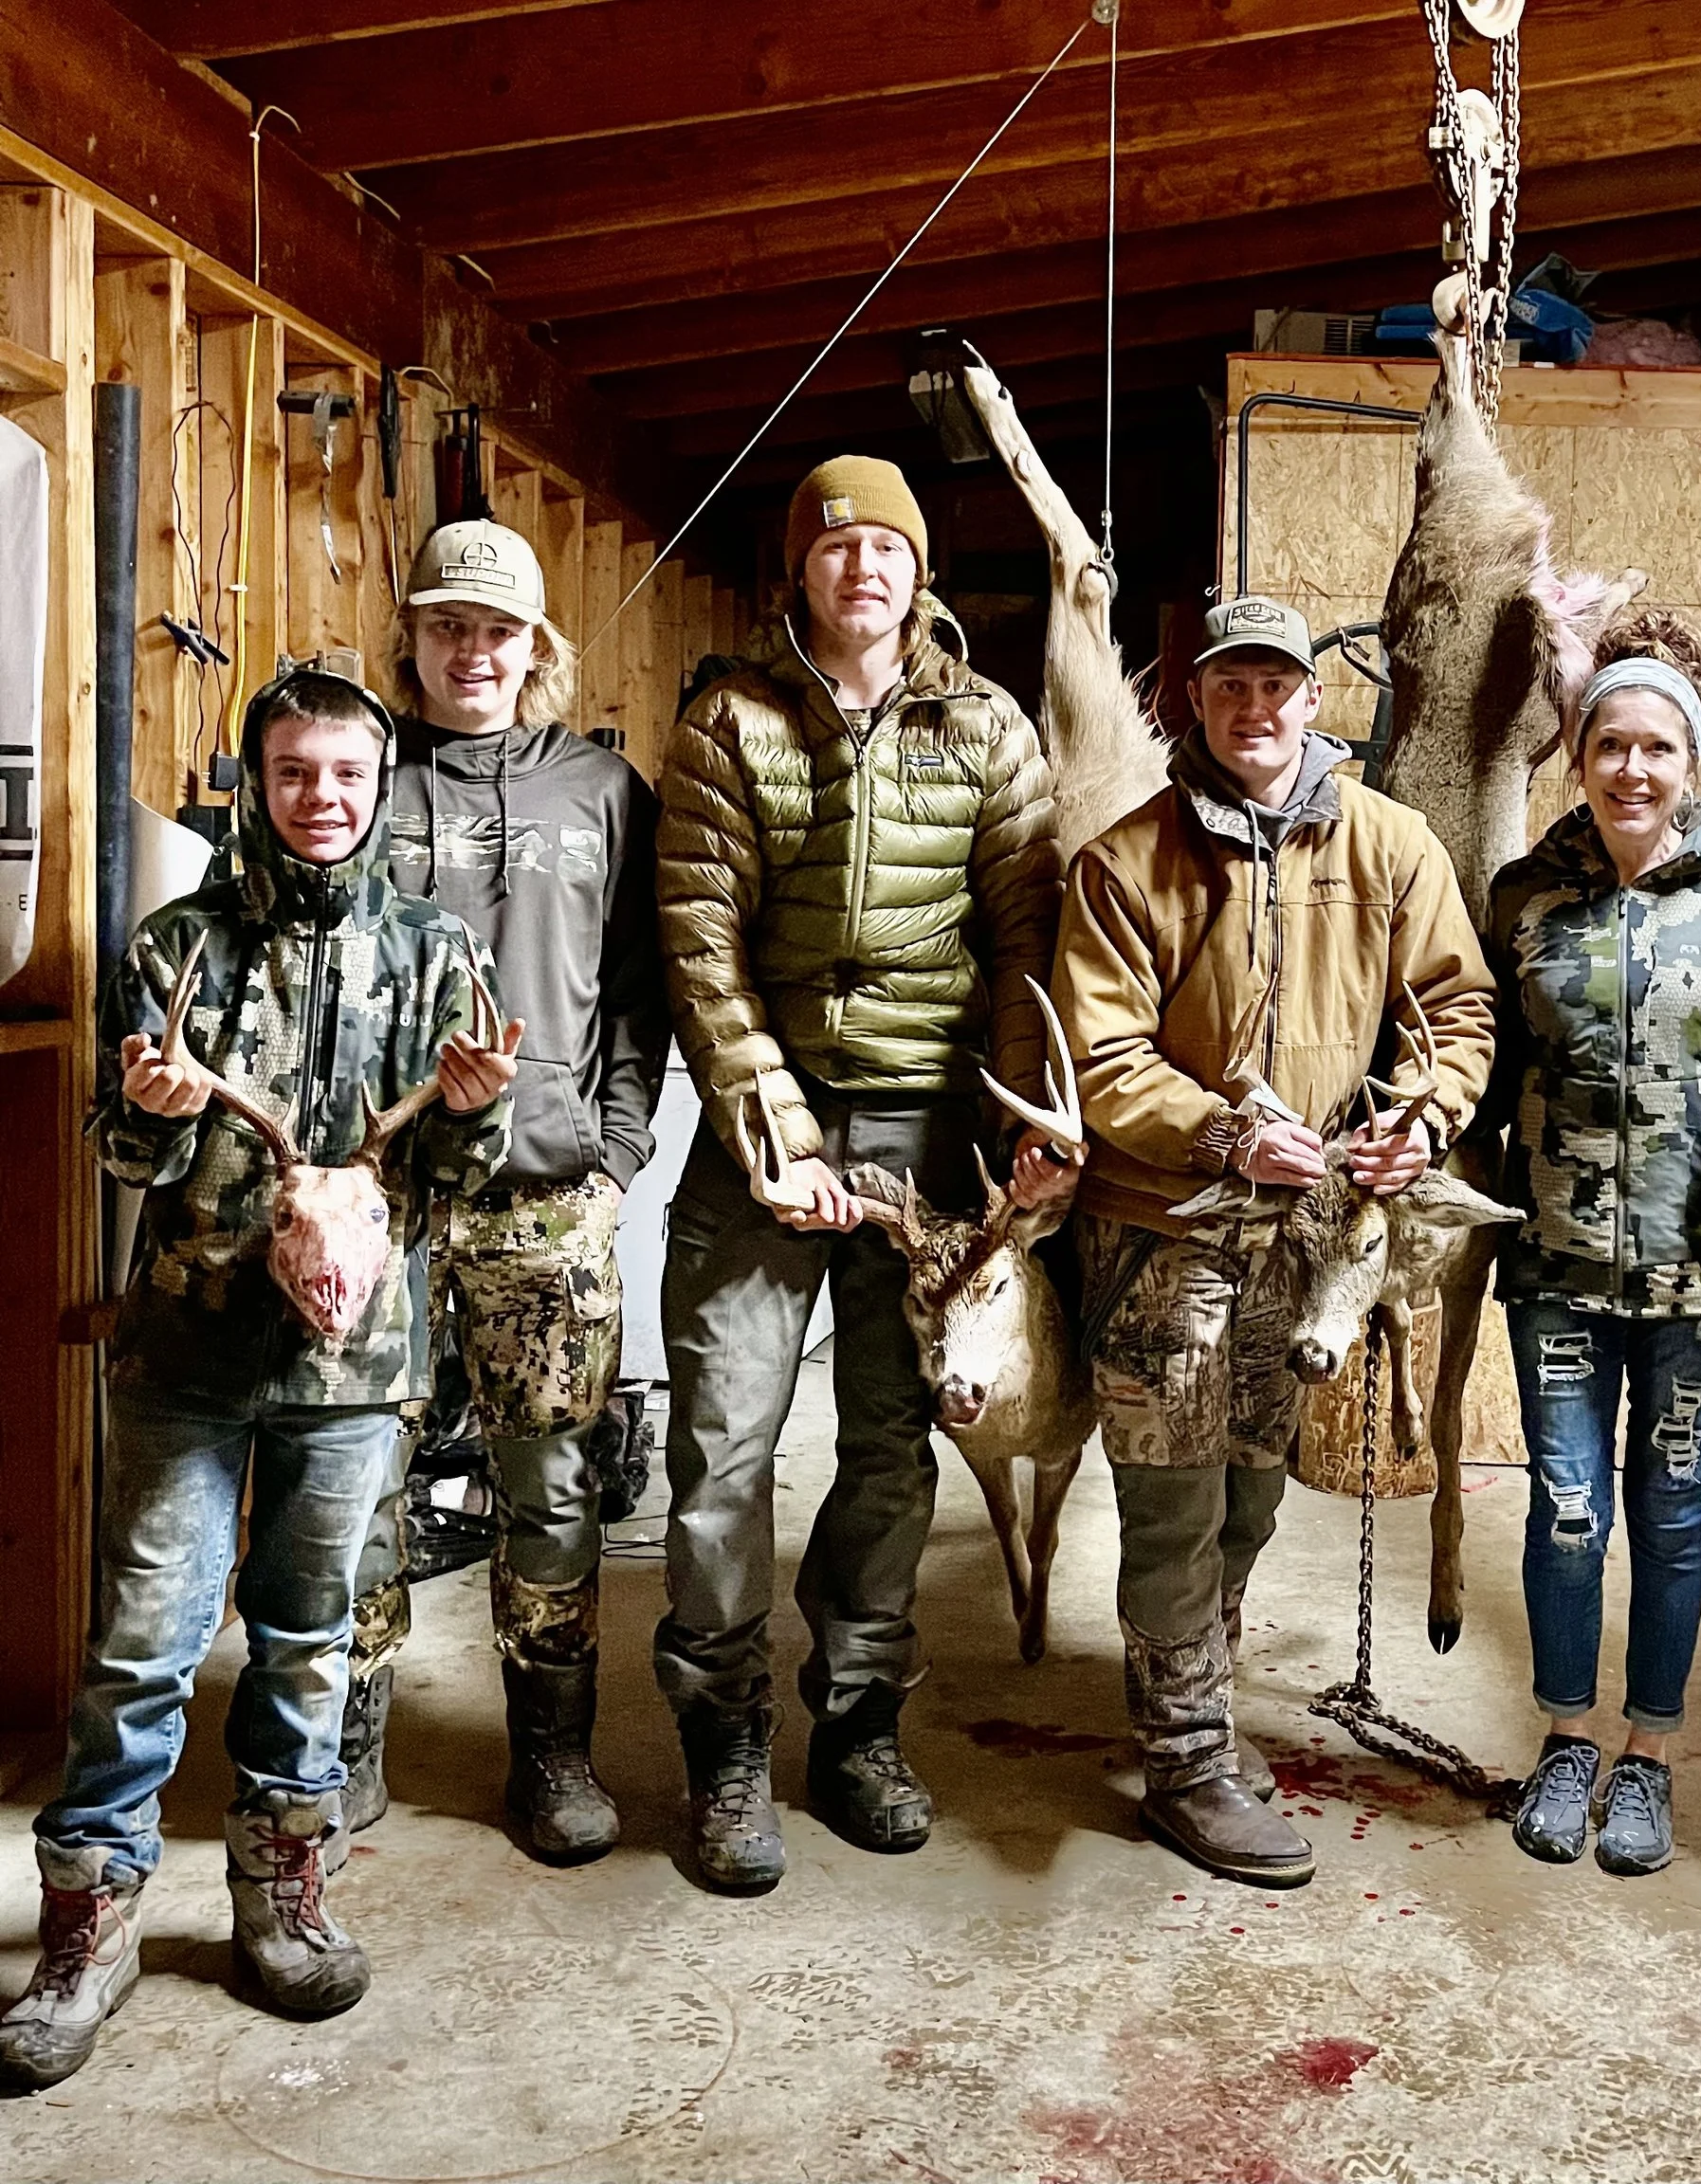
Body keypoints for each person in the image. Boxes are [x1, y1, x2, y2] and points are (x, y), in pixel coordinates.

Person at [0, 670, 515, 2091]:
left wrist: (479, 1112)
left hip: (352, 1371)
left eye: (347, 774)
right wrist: (153, 1119)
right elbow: (120, 1155)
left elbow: (455, 1177)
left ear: (380, 783)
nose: (323, 798)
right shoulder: (175, 949)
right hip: (189, 1351)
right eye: (294, 773)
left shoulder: (435, 955)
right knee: (143, 1642)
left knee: (307, 1634)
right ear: (258, 782)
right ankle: (89, 1916)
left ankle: (281, 1889)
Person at [655, 457, 1065, 1889]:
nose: (864, 568)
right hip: (760, 1132)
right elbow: (700, 941)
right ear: (801, 571)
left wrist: (1023, 1124)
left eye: (888, 546)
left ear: (920, 569)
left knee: (892, 1446)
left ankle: (859, 1723)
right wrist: (774, 1135)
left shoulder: (988, 731)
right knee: (722, 1448)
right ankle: (720, 1742)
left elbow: (1023, 931)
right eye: (838, 548)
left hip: (929, 1133)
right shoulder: (728, 724)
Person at [1052, 594, 1495, 1890]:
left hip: (1305, 1244)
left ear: (1314, 700)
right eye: (1231, 685)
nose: (1257, 709)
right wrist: (1218, 1135)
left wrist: (1422, 1118)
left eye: (1279, 686)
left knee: (1250, 1493)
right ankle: (1188, 1757)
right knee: (1172, 1499)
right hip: (1164, 1235)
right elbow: (1103, 1056)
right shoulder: (1125, 860)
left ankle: (1195, 1695)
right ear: (1196, 700)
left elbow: (1456, 1007)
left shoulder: (1392, 846)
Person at [339, 519, 668, 1866]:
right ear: (410, 640)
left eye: (498, 631)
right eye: (446, 627)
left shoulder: (600, 786)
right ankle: (342, 1741)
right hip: (382, 1195)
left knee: (551, 1482)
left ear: (538, 648)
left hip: (548, 1196)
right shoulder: (356, 773)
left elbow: (646, 985)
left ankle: (550, 1751)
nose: (472, 653)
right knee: (361, 1473)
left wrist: (618, 1144)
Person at [1485, 622, 1701, 1878]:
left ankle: (1651, 1757)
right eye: (1611, 744)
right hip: (1557, 1265)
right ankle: (1569, 1739)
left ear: (1693, 762)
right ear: (1580, 758)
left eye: (1658, 748)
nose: (1633, 769)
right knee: (1570, 1507)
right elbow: (1479, 1058)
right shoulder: (1526, 897)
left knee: (1670, 1515)